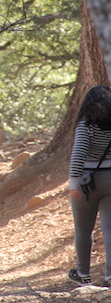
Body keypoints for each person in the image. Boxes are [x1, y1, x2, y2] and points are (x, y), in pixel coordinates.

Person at [68, 85, 111, 287]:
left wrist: (74, 183)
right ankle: (110, 275)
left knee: (83, 229)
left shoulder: (86, 125)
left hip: (87, 182)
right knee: (109, 229)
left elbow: (79, 153)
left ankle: (83, 274)